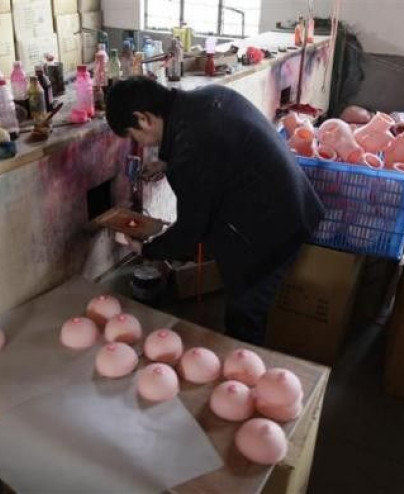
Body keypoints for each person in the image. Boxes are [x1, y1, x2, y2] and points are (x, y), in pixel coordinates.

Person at [105, 77, 325, 345]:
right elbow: (213, 151)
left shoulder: (191, 152)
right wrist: (167, 161)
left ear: (143, 119)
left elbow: (190, 231)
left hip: (275, 227)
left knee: (246, 310)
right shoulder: (207, 96)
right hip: (292, 200)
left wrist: (148, 249)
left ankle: (245, 370)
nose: (140, 143)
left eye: (132, 135)